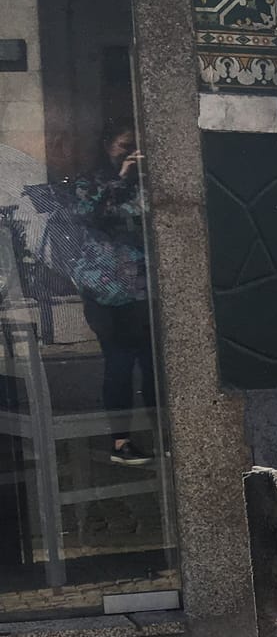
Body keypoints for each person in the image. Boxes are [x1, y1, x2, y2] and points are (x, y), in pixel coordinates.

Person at [72, 119, 156, 465]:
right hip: (107, 292)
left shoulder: (147, 184)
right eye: (124, 146)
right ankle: (120, 443)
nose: (131, 153)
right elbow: (88, 216)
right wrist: (121, 178)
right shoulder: (89, 183)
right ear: (108, 146)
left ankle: (163, 436)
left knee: (154, 366)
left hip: (145, 289)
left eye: (136, 146)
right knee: (120, 364)